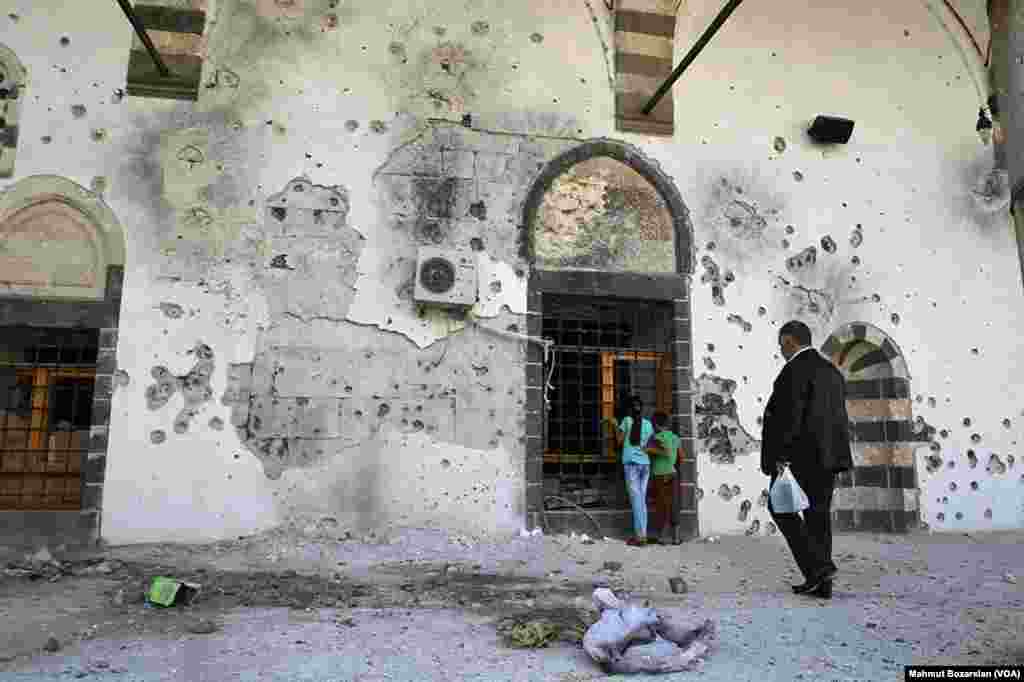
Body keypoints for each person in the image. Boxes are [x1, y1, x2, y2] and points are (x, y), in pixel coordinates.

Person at [761, 320, 853, 600]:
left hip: (798, 458)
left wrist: (781, 457)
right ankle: (821, 583)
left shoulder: (793, 371)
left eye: (781, 344)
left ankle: (820, 568)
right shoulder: (832, 372)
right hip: (828, 457)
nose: (780, 350)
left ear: (790, 341)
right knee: (818, 517)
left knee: (780, 508)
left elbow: (789, 419)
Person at [606, 395, 653, 546]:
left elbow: (619, 441)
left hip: (632, 464)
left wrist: (614, 424)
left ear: (628, 409)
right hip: (645, 464)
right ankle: (643, 534)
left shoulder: (626, 421)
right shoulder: (648, 424)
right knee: (641, 500)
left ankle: (640, 537)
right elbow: (650, 443)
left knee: (636, 501)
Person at [645, 411, 682, 545]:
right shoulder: (675, 438)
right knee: (674, 504)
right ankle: (676, 538)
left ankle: (661, 537)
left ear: (655, 425)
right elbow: (681, 457)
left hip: (659, 475)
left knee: (661, 505)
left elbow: (648, 451)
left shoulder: (655, 437)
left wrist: (650, 451)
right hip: (672, 473)